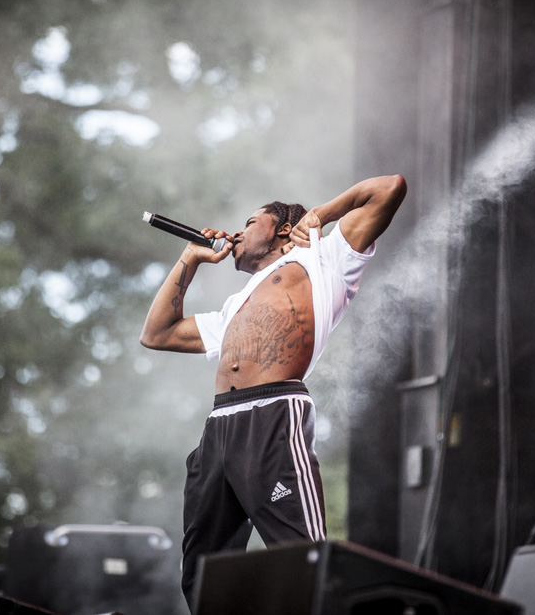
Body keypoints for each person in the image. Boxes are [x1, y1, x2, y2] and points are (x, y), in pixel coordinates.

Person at [140, 174, 407, 609]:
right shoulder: (234, 305)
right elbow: (157, 333)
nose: (237, 232)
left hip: (271, 418)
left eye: (249, 222)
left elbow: (390, 187)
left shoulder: (325, 257)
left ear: (283, 228)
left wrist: (322, 214)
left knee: (305, 558)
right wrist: (189, 258)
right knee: (203, 575)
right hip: (218, 429)